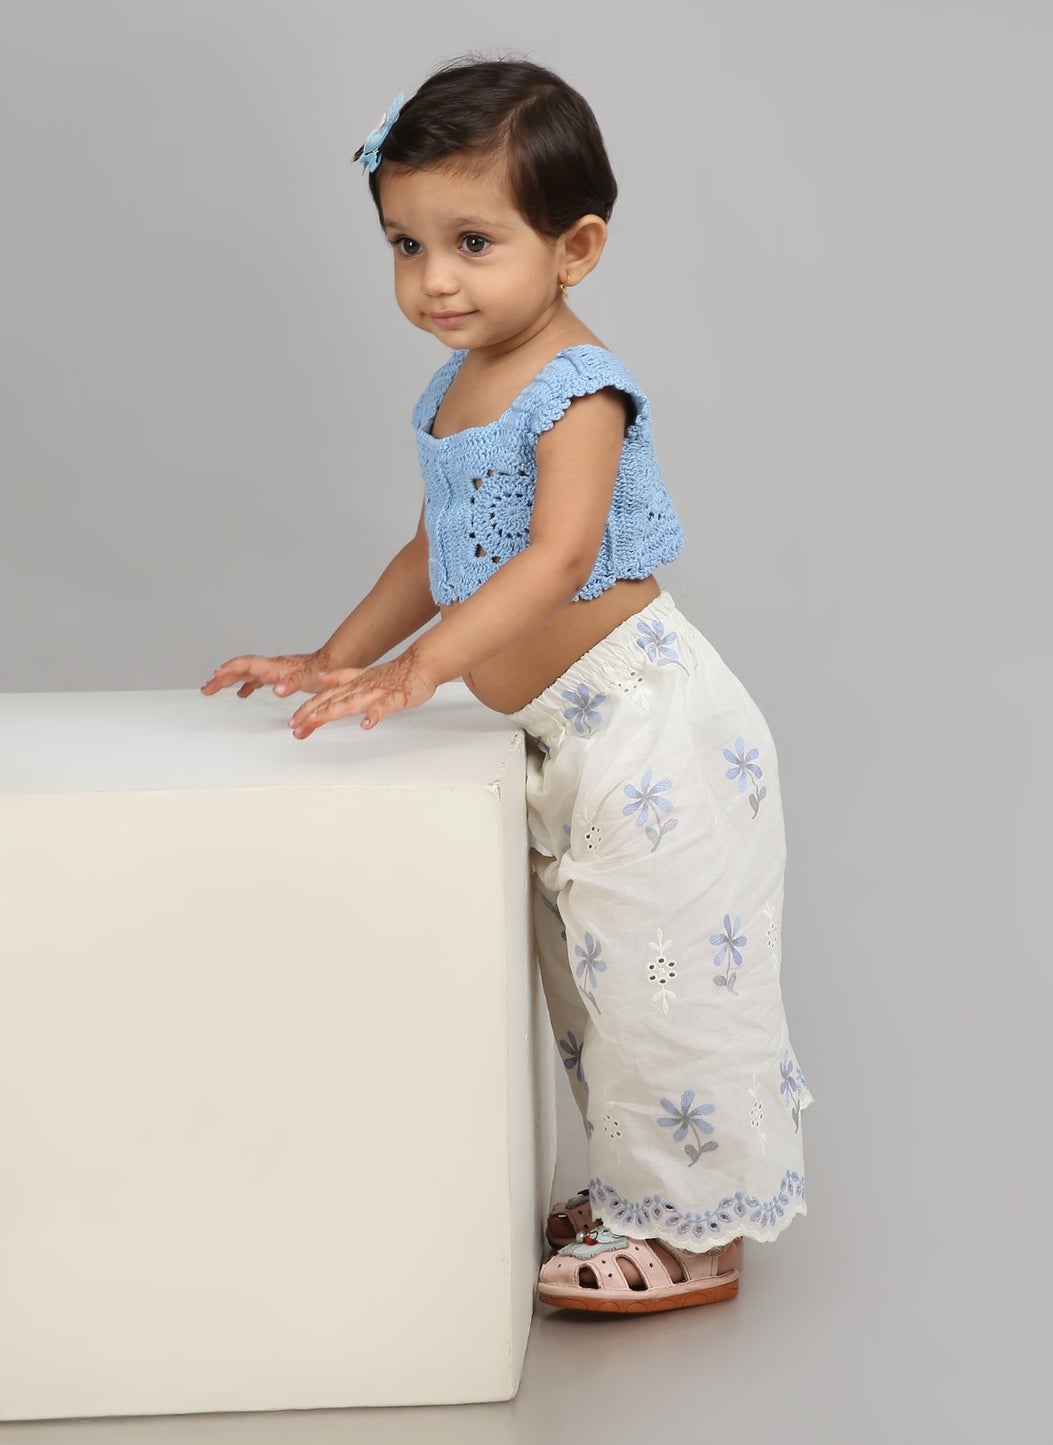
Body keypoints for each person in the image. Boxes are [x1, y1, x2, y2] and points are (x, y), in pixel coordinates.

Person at [200, 57, 811, 1314]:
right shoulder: (452, 385)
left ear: (574, 246)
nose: (433, 280)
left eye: (472, 242)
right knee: (585, 975)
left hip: (650, 730)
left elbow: (559, 555)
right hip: (561, 739)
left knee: (666, 977)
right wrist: (338, 657)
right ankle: (641, 1187)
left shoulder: (578, 389)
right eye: (405, 243)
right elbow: (436, 547)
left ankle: (695, 1229)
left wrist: (422, 669)